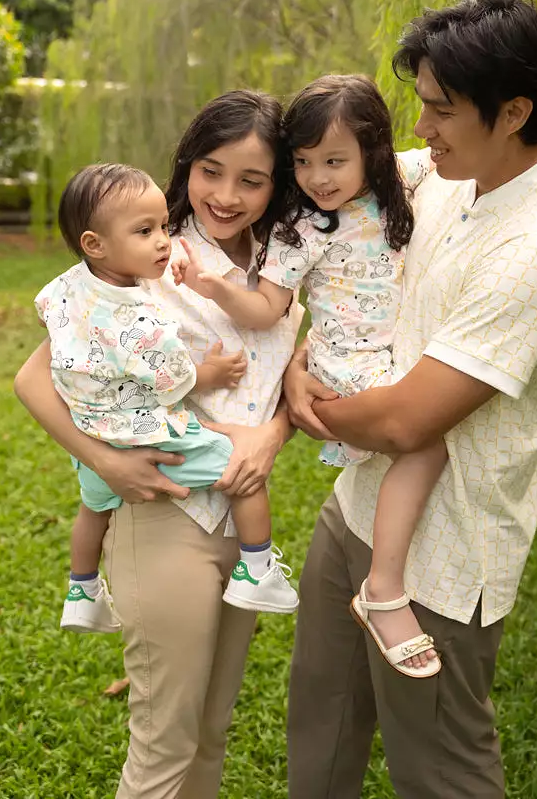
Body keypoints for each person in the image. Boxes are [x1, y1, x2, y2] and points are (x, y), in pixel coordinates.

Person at [284, 0, 537, 799]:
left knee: (440, 773)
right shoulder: (445, 175)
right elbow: (344, 180)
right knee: (319, 724)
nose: (418, 130)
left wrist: (296, 401)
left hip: (444, 557)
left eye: (440, 111)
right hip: (356, 505)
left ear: (513, 111)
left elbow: (405, 419)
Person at [14, 90, 302, 799]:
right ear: (186, 166)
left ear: (276, 186)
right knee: (164, 744)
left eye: (252, 179)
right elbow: (32, 378)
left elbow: (298, 376)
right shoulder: (144, 249)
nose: (226, 195)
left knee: (210, 732)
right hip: (165, 514)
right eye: (210, 170)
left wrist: (272, 432)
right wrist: (104, 461)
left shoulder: (288, 263)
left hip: (241, 521)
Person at [176, 74, 447, 675]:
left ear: (372, 154)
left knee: (420, 445)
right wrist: (217, 286)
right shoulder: (299, 229)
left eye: (334, 161)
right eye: (302, 162)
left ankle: (380, 578)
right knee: (425, 447)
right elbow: (269, 308)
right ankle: (384, 587)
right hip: (346, 363)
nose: (318, 177)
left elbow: (444, 151)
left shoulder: (400, 183)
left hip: (387, 357)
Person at [37, 161, 298, 633]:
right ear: (95, 244)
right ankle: (258, 569)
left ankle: (82, 589)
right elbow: (175, 381)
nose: (163, 240)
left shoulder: (69, 287)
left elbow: (46, 315)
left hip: (91, 430)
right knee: (241, 471)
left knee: (92, 509)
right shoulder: (143, 316)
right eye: (145, 232)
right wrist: (212, 372)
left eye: (162, 226)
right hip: (144, 435)